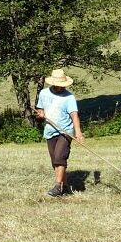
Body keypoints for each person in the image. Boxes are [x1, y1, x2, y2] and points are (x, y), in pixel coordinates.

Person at [34, 68, 85, 198]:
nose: (61, 87)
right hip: (50, 131)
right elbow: (41, 111)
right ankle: (65, 187)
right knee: (55, 162)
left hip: (65, 131)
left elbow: (74, 115)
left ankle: (57, 187)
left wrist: (78, 133)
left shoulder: (69, 97)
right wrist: (40, 115)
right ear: (53, 83)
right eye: (58, 85)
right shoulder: (44, 93)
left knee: (60, 158)